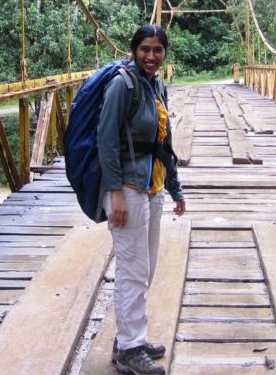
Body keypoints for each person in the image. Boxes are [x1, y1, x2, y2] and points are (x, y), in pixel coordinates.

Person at [97, 24, 186, 375]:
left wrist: (175, 188)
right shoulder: (124, 85)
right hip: (128, 189)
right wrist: (114, 191)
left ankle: (132, 336)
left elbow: (163, 143)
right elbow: (106, 141)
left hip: (153, 186)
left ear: (165, 53)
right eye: (144, 49)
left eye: (158, 50)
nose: (151, 56)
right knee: (132, 270)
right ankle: (130, 348)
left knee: (144, 269)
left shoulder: (156, 85)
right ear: (134, 50)